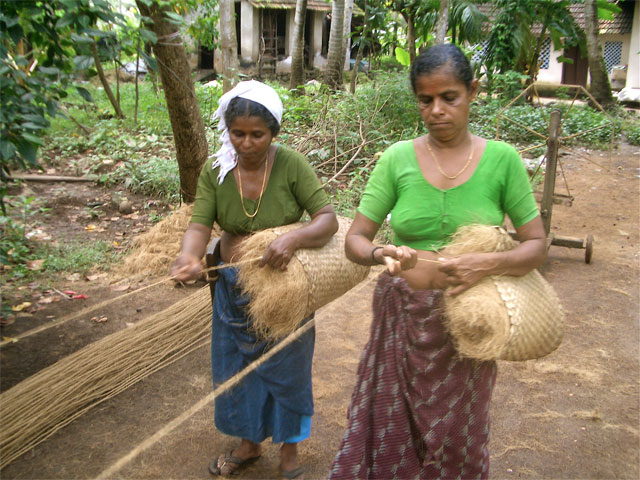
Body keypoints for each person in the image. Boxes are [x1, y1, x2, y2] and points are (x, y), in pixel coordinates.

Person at [329, 44, 547, 479]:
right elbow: (355, 238)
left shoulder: (501, 161)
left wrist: (483, 265)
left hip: (470, 326)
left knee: (457, 438)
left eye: (449, 97)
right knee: (393, 433)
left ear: (473, 92)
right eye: (425, 100)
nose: (437, 110)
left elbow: (537, 245)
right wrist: (380, 253)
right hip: (402, 322)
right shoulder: (396, 159)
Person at [171, 80, 338, 479]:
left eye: (257, 135)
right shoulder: (217, 169)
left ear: (274, 132)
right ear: (228, 131)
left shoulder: (292, 165)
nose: (246, 143)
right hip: (233, 289)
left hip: (285, 291)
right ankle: (248, 445)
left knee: (287, 367)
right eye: (237, 133)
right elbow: (199, 223)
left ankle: (290, 453)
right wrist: (189, 256)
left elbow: (327, 219)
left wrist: (292, 238)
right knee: (236, 367)